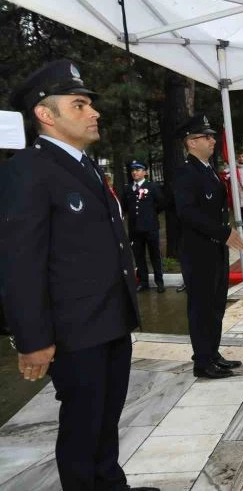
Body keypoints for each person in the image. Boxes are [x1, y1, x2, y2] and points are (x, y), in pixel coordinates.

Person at [0, 60, 158, 491]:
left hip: (109, 322)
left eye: (90, 104)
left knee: (107, 419)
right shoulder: (27, 170)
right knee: (82, 429)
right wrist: (32, 340)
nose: (94, 113)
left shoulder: (85, 167)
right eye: (80, 104)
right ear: (45, 115)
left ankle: (111, 483)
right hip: (74, 332)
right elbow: (19, 263)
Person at [173, 114, 243, 379]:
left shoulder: (207, 169)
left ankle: (212, 353)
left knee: (215, 304)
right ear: (191, 142)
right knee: (201, 306)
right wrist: (223, 232)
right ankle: (202, 362)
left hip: (214, 248)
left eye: (212, 135)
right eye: (207, 136)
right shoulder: (185, 171)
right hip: (198, 251)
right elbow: (188, 213)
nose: (212, 140)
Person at [121, 161, 166, 293]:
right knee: (139, 256)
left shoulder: (152, 187)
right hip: (135, 229)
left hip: (150, 227)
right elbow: (125, 207)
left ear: (145, 172)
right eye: (133, 170)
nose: (135, 172)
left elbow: (161, 204)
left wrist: (151, 215)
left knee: (155, 256)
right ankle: (143, 282)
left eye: (138, 169)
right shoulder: (128, 189)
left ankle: (159, 282)